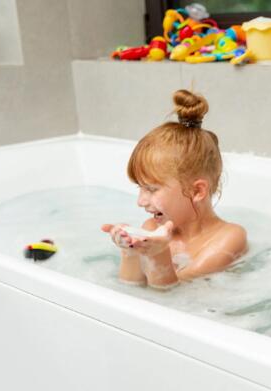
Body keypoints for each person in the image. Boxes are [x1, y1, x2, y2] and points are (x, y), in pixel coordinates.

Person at [101, 90, 247, 290]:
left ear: (197, 191)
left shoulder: (229, 237)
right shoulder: (151, 227)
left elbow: (173, 297)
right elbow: (130, 288)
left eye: (151, 189)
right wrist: (130, 251)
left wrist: (157, 254)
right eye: (140, 188)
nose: (140, 201)